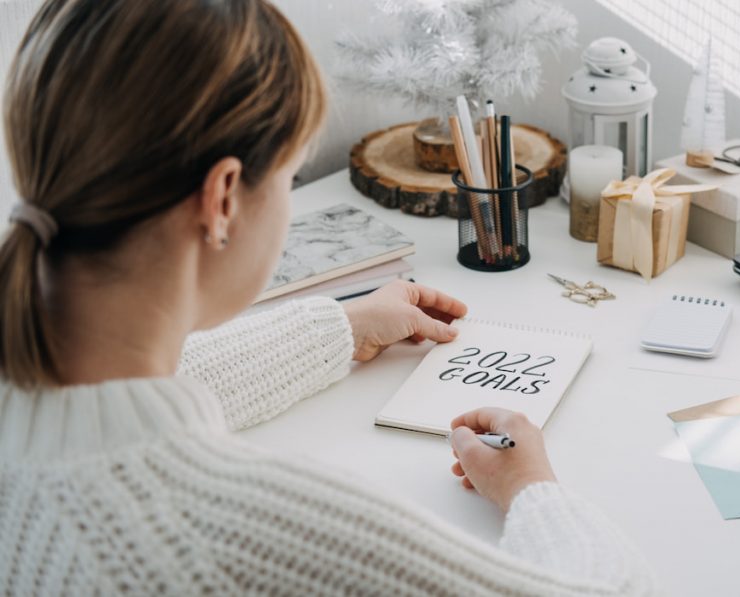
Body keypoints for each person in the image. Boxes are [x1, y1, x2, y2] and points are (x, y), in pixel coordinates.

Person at [0, 1, 655, 594]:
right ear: (223, 198)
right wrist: (530, 488)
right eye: (290, 175)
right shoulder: (231, 535)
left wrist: (344, 326)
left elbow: (133, 404)